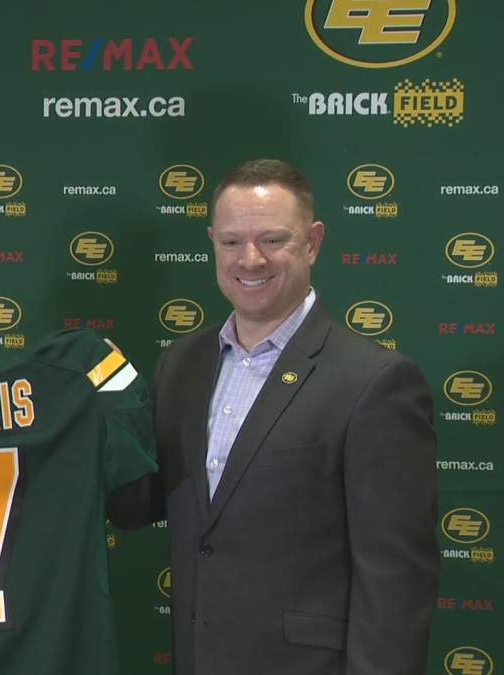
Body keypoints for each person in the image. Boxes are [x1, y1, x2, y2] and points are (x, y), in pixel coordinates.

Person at [108, 158, 438, 674]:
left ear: (312, 242)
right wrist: (99, 402)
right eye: (232, 242)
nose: (251, 259)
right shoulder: (181, 364)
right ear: (213, 242)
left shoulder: (375, 381)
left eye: (273, 239)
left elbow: (395, 580)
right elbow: (139, 505)